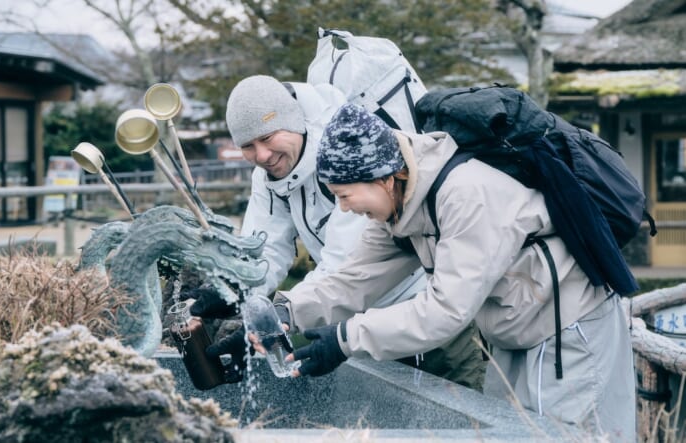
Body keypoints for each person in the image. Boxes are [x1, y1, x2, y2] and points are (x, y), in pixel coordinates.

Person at [272, 102, 635, 441]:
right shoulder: (399, 209)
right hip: (517, 331)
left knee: (565, 437)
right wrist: (284, 312)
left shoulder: (466, 195)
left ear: (383, 178)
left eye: (345, 195)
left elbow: (445, 310)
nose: (344, 208)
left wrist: (346, 339)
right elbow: (352, 280)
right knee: (508, 434)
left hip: (570, 328)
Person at [190, 74, 485, 390]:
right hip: (363, 326)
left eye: (268, 137)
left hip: (424, 319)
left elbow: (347, 269)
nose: (261, 155)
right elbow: (267, 253)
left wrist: (297, 324)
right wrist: (238, 294)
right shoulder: (270, 177)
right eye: (248, 146)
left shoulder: (347, 159)